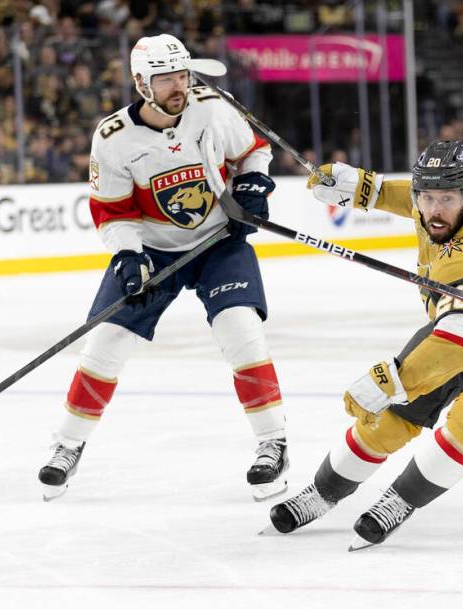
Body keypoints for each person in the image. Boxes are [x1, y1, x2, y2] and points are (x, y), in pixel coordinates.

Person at [267, 140, 463, 550]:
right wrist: (360, 187)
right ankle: (323, 492)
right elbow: (414, 199)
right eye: (428, 197)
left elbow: (462, 345)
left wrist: (392, 379)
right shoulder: (450, 206)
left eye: (446, 198)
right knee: (389, 419)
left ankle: (400, 499)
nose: (434, 209)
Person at [37, 34, 289, 502]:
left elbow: (253, 150)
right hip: (153, 251)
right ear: (140, 82)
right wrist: (129, 255)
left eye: (182, 74)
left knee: (241, 329)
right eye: (166, 77)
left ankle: (273, 443)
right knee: (105, 342)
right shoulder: (112, 138)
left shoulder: (211, 107)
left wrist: (253, 184)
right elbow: (112, 213)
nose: (179, 85)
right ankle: (66, 446)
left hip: (218, 241)